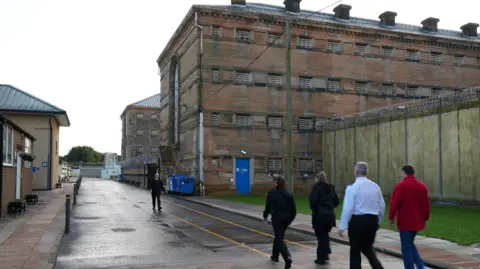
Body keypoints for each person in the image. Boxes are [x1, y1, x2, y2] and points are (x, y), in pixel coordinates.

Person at [338, 162, 385, 269]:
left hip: (358, 221)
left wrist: (342, 226)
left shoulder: (352, 188)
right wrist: (378, 221)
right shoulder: (375, 187)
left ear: (356, 172)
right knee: (367, 247)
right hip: (372, 219)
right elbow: (381, 205)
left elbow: (348, 208)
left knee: (355, 250)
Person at [388, 165, 430, 269]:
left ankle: (410, 267)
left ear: (404, 172)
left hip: (405, 221)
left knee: (406, 247)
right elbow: (426, 205)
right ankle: (420, 266)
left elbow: (395, 203)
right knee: (410, 244)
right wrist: (425, 218)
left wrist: (391, 217)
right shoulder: (422, 186)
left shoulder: (401, 186)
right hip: (417, 221)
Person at [263, 176, 296, 269]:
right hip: (286, 219)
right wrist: (291, 219)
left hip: (277, 218)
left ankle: (287, 257)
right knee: (278, 236)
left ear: (276, 183)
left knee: (279, 238)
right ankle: (275, 256)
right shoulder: (288, 194)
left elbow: (268, 206)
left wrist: (265, 216)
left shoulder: (272, 193)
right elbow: (293, 209)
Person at [309, 171, 339, 265]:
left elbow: (313, 201)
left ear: (318, 179)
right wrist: (330, 207)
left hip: (320, 215)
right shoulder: (331, 188)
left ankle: (321, 257)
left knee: (321, 236)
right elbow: (337, 201)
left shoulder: (316, 188)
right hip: (330, 215)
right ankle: (326, 253)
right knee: (325, 234)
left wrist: (316, 209)